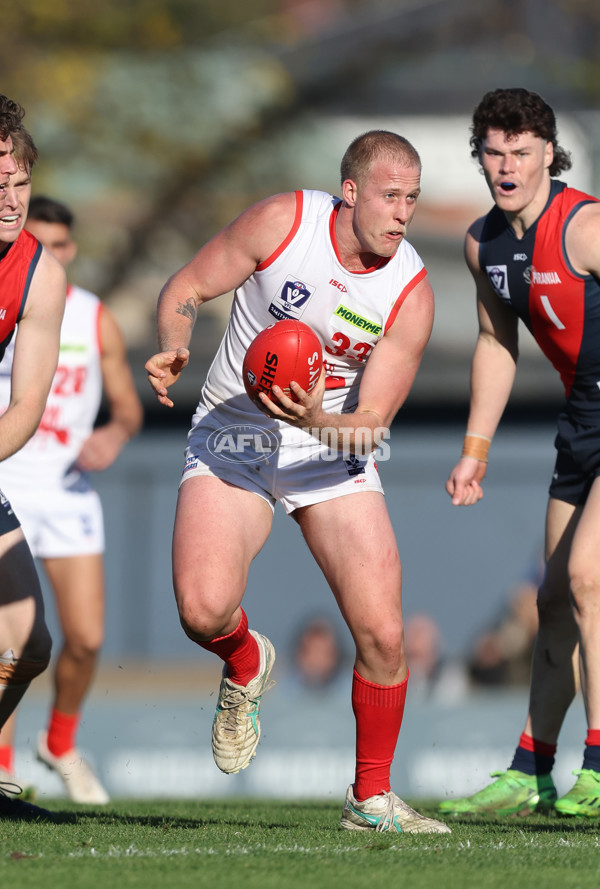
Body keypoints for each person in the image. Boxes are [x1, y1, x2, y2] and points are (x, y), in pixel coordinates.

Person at [146, 130, 451, 834]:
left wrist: (316, 416)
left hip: (328, 450)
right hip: (235, 434)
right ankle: (246, 659)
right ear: (349, 191)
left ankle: (370, 799)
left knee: (382, 632)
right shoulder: (284, 222)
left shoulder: (410, 291)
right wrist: (173, 340)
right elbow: (188, 285)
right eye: (389, 195)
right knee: (202, 608)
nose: (402, 212)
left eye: (412, 198)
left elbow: (370, 426)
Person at [442, 87, 600, 819]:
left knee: (589, 578)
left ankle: (597, 768)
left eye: (521, 152)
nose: (506, 165)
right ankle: (531, 769)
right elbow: (495, 345)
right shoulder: (484, 243)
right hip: (582, 423)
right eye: (494, 152)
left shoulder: (588, 227)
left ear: (548, 154)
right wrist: (475, 449)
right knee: (553, 599)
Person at [0, 190, 143, 804]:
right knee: (10, 642)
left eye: (58, 246)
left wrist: (112, 433)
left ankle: (59, 743)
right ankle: (3, 764)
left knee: (82, 640)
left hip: (66, 492)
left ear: (70, 249)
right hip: (9, 481)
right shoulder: (11, 290)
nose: (45, 254)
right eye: (40, 242)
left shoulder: (90, 314)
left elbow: (128, 407)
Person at [0, 98, 67, 819]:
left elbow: (25, 408)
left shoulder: (38, 273)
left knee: (31, 642)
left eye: (20, 183)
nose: (13, 202)